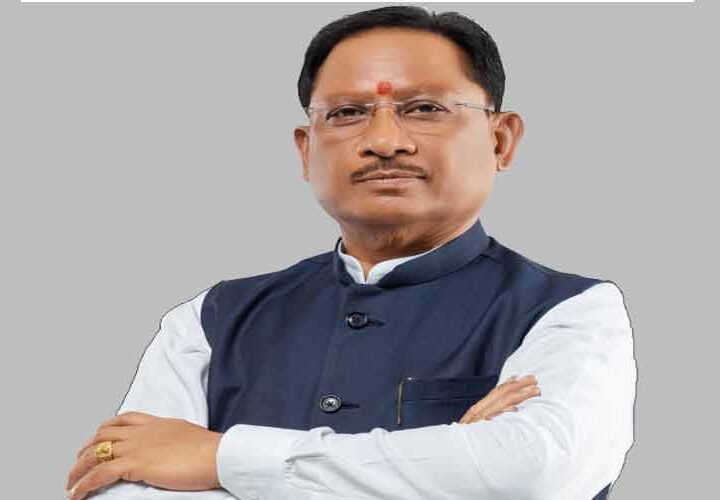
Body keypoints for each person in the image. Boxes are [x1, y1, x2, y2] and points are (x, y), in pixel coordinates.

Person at [65, 5, 636, 500]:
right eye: (346, 113)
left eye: (424, 108)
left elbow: (534, 474)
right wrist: (449, 462)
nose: (385, 141)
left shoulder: (573, 312)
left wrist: (219, 458)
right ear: (305, 149)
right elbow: (120, 482)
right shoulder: (209, 321)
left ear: (500, 140)